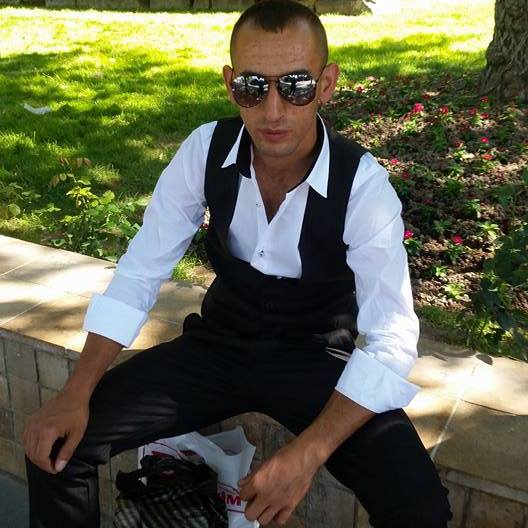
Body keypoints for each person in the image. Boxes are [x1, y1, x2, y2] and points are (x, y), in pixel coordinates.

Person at [22, 1, 453, 526]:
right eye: (253, 86)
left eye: (295, 86)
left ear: (326, 84)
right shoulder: (205, 150)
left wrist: (308, 453)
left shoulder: (362, 187)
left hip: (314, 358)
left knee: (421, 507)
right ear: (230, 84)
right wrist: (76, 391)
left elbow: (392, 336)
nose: (272, 111)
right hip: (218, 346)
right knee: (57, 446)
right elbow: (140, 271)